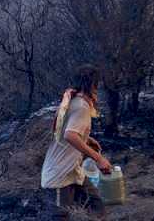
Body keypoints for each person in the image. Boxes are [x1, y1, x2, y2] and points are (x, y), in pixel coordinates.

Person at [41, 65, 110, 219]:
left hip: (72, 171)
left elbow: (67, 130)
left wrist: (87, 139)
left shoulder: (74, 101)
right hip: (59, 175)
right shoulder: (81, 106)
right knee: (60, 216)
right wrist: (98, 158)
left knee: (96, 205)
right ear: (93, 85)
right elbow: (69, 135)